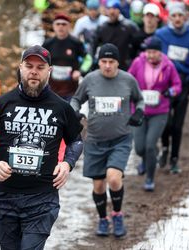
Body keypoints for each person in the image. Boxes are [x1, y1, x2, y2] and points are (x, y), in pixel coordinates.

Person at [0, 45, 83, 249]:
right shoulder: (3, 103)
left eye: (40, 67)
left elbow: (76, 141)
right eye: (29, 65)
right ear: (20, 67)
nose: (34, 71)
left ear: (49, 71)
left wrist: (67, 164)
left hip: (42, 198)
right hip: (4, 197)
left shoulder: (61, 107)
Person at [70, 43, 144, 237]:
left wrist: (139, 112)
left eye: (111, 62)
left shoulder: (128, 80)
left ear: (118, 62)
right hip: (94, 140)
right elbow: (76, 99)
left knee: (113, 178)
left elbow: (140, 99)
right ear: (99, 62)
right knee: (98, 185)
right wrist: (75, 112)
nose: (108, 65)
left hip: (120, 139)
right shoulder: (90, 79)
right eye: (104, 61)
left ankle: (117, 215)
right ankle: (103, 219)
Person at [128, 36, 182, 191]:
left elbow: (177, 85)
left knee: (150, 145)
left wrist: (170, 91)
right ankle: (146, 160)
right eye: (149, 52)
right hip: (139, 109)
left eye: (154, 52)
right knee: (139, 148)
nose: (151, 55)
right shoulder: (138, 62)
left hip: (159, 111)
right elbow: (129, 79)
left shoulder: (168, 65)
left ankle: (150, 178)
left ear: (160, 52)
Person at [155, 2, 189, 173]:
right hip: (165, 84)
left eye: (181, 15)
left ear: (186, 17)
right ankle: (164, 149)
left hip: (184, 84)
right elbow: (155, 58)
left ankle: (174, 159)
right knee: (166, 122)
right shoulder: (161, 34)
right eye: (174, 15)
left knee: (178, 126)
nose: (178, 19)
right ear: (169, 17)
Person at [42, 13, 92, 101]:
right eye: (58, 24)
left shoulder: (76, 43)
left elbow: (88, 59)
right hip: (52, 90)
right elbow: (41, 61)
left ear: (69, 26)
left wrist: (80, 72)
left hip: (71, 90)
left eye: (64, 24)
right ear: (53, 26)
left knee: (69, 113)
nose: (61, 27)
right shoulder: (48, 44)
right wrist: (45, 70)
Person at [91, 0, 139, 70]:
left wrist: (131, 61)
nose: (111, 11)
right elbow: (93, 46)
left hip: (124, 67)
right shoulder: (102, 28)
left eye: (114, 8)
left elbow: (138, 44)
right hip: (107, 67)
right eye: (109, 8)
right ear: (106, 10)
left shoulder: (129, 27)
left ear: (119, 10)